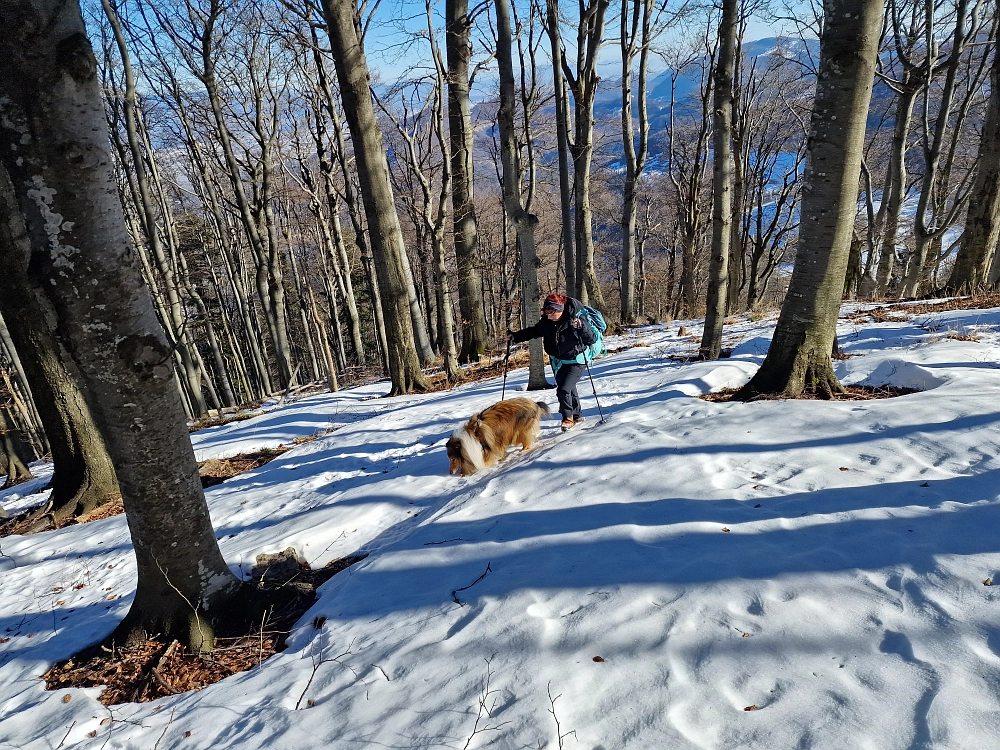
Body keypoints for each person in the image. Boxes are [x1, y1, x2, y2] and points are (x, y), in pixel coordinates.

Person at [508, 293, 597, 431]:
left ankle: (567, 418)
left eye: (551, 313)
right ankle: (577, 415)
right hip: (559, 361)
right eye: (546, 312)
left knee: (563, 389)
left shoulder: (576, 318)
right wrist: (515, 337)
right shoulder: (547, 322)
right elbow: (534, 332)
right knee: (569, 388)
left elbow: (590, 339)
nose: (548, 316)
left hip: (577, 359)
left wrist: (581, 327)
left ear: (559, 310)